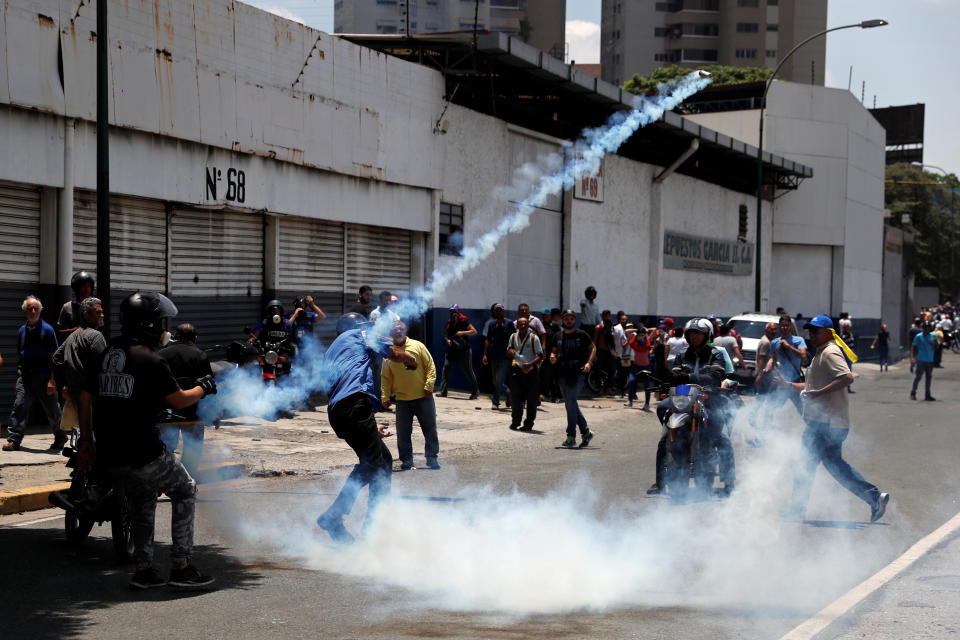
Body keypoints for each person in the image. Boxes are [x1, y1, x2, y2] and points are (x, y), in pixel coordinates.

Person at [77, 292, 218, 589]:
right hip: (142, 450)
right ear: (148, 324)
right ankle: (181, 566)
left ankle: (144, 571)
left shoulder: (107, 352)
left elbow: (86, 396)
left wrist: (87, 442)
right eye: (159, 322)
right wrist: (203, 388)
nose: (162, 327)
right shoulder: (150, 359)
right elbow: (179, 400)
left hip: (109, 450)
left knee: (143, 501)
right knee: (185, 490)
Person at [316, 313, 417, 543]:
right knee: (374, 464)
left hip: (340, 412)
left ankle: (372, 523)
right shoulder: (360, 334)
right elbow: (393, 353)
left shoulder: (332, 350)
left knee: (383, 458)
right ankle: (340, 516)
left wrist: (370, 424)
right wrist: (411, 359)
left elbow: (340, 387)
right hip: (354, 406)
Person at [782, 315, 889, 523]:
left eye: (816, 331)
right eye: (810, 331)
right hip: (826, 423)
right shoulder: (821, 353)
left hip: (825, 424)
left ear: (829, 333)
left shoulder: (830, 352)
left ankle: (797, 510)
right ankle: (874, 497)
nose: (811, 334)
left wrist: (818, 393)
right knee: (835, 467)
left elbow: (847, 377)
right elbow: (812, 386)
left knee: (806, 465)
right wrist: (789, 386)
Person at [650, 318, 734, 496]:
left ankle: (728, 480)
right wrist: (676, 378)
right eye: (691, 334)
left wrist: (688, 378)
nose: (694, 337)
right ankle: (660, 482)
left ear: (706, 335)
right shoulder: (682, 355)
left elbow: (716, 375)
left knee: (722, 437)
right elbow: (675, 374)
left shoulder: (716, 354)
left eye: (697, 334)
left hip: (709, 399)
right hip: (683, 399)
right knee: (663, 419)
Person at [4, 296, 62, 452]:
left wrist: (52, 380)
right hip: (25, 375)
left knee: (52, 409)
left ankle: (60, 435)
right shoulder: (21, 331)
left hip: (44, 375)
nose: (33, 311)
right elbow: (20, 357)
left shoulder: (48, 330)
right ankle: (14, 439)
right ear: (24, 311)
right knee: (20, 404)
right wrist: (18, 379)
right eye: (30, 308)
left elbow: (54, 357)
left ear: (41, 310)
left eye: (36, 308)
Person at [381, 321, 439, 470]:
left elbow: (430, 365)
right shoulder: (388, 352)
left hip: (423, 397)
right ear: (391, 333)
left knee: (430, 429)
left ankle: (432, 458)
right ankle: (407, 460)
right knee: (403, 433)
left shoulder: (418, 346)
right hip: (402, 400)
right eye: (395, 330)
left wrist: (429, 386)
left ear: (405, 330)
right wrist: (385, 397)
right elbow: (385, 377)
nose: (399, 331)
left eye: (401, 329)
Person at [159, 323, 214, 475]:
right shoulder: (200, 355)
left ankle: (162, 482)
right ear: (194, 338)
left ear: (175, 337)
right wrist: (214, 413)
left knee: (165, 450)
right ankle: (186, 483)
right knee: (193, 452)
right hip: (193, 413)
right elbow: (208, 387)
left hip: (167, 412)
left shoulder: (162, 354)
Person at [53, 297, 107, 441]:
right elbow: (103, 366)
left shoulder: (73, 336)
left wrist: (63, 385)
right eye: (97, 313)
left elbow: (57, 358)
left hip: (74, 393)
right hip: (92, 396)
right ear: (86, 315)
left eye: (102, 312)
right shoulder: (96, 336)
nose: (102, 315)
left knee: (83, 433)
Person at [551, 309, 596, 448]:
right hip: (563, 374)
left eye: (571, 318)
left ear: (574, 320)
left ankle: (571, 436)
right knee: (571, 404)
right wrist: (552, 356)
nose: (568, 321)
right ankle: (586, 432)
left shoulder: (581, 335)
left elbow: (593, 348)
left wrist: (589, 363)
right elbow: (554, 351)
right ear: (562, 320)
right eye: (566, 319)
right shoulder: (558, 336)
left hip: (578, 373)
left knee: (570, 403)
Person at [507, 316, 543, 431]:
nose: (523, 326)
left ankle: (528, 423)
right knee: (515, 397)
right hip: (516, 370)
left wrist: (529, 364)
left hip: (531, 371)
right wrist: (510, 352)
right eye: (520, 324)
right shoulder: (513, 337)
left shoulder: (534, 338)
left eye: (525, 324)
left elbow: (540, 355)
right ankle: (515, 421)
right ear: (517, 326)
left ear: (528, 326)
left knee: (531, 399)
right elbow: (509, 350)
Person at [767, 314, 807, 417]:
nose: (784, 328)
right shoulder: (775, 343)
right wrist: (773, 372)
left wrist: (789, 346)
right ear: (779, 326)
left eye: (787, 325)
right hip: (781, 381)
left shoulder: (798, 340)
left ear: (790, 326)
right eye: (782, 325)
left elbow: (803, 356)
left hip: (795, 381)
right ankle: (767, 429)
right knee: (771, 407)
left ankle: (808, 429)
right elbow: (774, 360)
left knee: (802, 408)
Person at [438, 304, 479, 399]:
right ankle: (443, 391)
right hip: (452, 350)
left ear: (458, 312)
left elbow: (474, 331)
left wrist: (462, 332)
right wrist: (447, 340)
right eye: (451, 311)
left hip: (463, 350)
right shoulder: (450, 322)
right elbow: (446, 335)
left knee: (468, 371)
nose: (453, 313)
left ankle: (475, 392)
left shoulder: (464, 321)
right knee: (446, 369)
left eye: (455, 311)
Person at [482, 303, 515, 410]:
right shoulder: (492, 324)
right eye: (497, 310)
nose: (499, 312)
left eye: (500, 310)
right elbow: (487, 340)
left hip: (505, 357)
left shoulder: (509, 323)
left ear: (503, 311)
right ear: (494, 312)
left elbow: (515, 337)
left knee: (500, 380)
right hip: (494, 355)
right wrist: (485, 354)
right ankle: (509, 392)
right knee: (495, 381)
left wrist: (514, 350)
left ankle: (495, 402)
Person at [57, 271, 96, 339]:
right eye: (83, 286)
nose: (86, 289)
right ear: (76, 288)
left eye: (89, 286)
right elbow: (59, 332)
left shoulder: (96, 306)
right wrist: (76, 330)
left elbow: (101, 329)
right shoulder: (67, 307)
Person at [624, 323, 652, 410]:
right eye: (639, 335)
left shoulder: (647, 341)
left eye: (643, 335)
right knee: (631, 381)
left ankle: (647, 403)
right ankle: (630, 401)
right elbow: (627, 331)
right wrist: (637, 330)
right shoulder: (634, 342)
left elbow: (654, 330)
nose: (641, 336)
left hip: (645, 367)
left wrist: (644, 330)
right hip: (636, 366)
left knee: (647, 385)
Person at [910, 322, 937, 401]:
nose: (926, 329)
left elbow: (936, 347)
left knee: (928, 377)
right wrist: (912, 357)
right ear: (923, 328)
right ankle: (913, 393)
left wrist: (935, 342)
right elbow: (913, 347)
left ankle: (927, 395)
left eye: (928, 327)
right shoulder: (918, 336)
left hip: (930, 360)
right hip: (921, 360)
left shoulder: (933, 336)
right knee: (918, 377)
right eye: (925, 327)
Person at [839, 322, 857, 392]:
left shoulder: (850, 334)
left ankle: (848, 388)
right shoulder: (843, 336)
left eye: (849, 327)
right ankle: (843, 388)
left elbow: (852, 344)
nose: (848, 328)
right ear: (844, 328)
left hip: (850, 356)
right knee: (844, 372)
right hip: (845, 356)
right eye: (847, 327)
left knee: (849, 371)